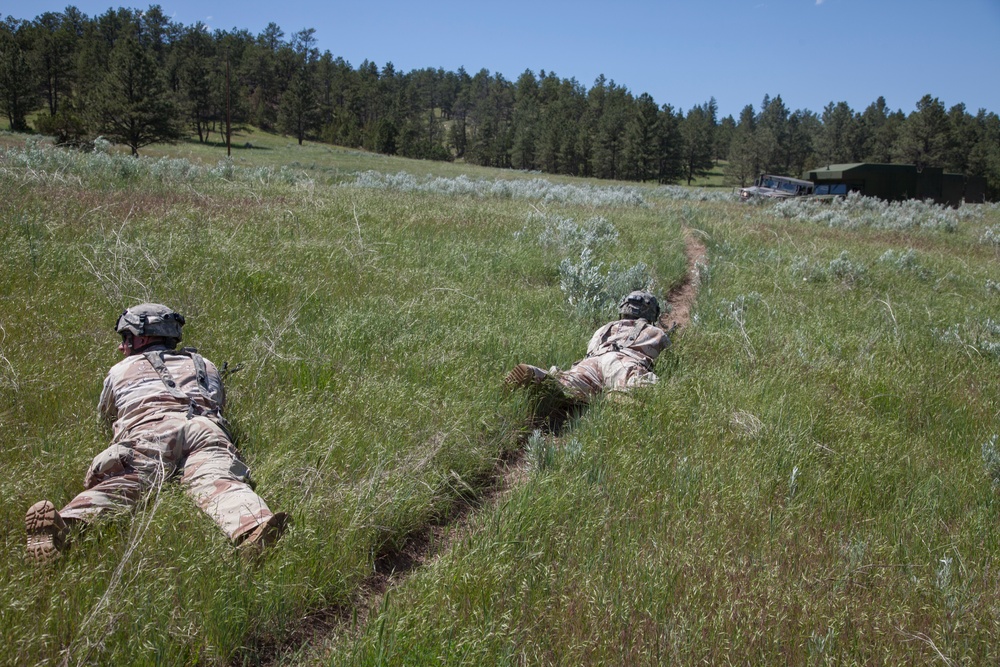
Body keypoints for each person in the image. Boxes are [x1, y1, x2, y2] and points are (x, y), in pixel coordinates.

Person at [25, 303, 287, 562]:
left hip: (151, 432)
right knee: (218, 480)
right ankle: (253, 527)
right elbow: (219, 404)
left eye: (126, 339)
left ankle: (65, 526)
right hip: (205, 429)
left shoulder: (119, 370)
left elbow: (105, 420)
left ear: (144, 338)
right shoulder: (205, 364)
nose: (121, 346)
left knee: (127, 483)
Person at [504, 291, 670, 403]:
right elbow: (668, 358)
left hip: (591, 362)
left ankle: (539, 375)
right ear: (651, 313)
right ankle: (619, 395)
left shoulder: (604, 328)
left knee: (566, 384)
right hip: (622, 362)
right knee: (641, 386)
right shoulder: (654, 331)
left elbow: (591, 349)